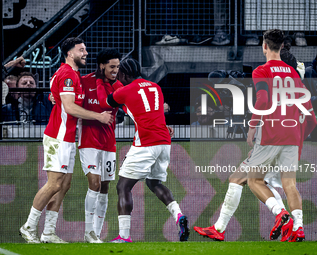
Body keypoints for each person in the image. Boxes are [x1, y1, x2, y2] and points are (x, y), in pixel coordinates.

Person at [19, 37, 113, 244]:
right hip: (58, 137)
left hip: (68, 138)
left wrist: (57, 98)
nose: (85, 53)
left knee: (64, 185)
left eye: (85, 50)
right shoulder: (68, 75)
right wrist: (99, 116)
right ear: (70, 53)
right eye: (81, 50)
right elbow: (69, 107)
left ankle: (48, 232)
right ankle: (28, 226)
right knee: (53, 184)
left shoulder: (69, 74)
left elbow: (58, 96)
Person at [101, 58, 189, 243]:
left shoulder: (124, 90)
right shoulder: (155, 87)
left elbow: (109, 101)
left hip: (146, 142)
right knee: (154, 183)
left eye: (119, 73)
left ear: (124, 75)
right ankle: (178, 215)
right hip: (164, 141)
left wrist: (111, 80)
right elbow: (153, 111)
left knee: (123, 186)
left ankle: (124, 236)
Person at [245, 29, 316, 242]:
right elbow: (309, 113)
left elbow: (263, 99)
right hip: (292, 134)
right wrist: (299, 137)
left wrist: (253, 125)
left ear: (264, 46)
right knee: (289, 184)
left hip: (270, 133)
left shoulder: (261, 71)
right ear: (283, 46)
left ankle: (280, 213)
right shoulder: (294, 73)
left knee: (254, 180)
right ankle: (299, 228)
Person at [79, 48, 123, 243]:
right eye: (112, 66)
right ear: (102, 65)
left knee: (105, 187)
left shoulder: (119, 87)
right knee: (94, 184)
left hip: (108, 143)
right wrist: (51, 97)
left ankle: (96, 233)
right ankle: (88, 231)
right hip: (88, 140)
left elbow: (135, 109)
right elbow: (66, 99)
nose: (115, 70)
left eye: (118, 67)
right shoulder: (84, 81)